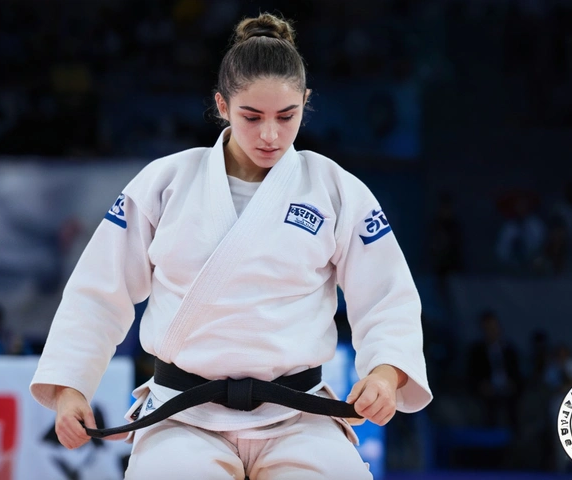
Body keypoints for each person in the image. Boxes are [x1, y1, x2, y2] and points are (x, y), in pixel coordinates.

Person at [30, 13, 432, 480]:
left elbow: (386, 295)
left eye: (287, 116)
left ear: (305, 102)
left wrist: (385, 372)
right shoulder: (166, 182)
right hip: (183, 415)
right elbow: (99, 290)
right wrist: (70, 387)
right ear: (222, 104)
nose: (270, 134)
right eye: (251, 116)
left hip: (299, 418)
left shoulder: (336, 190)